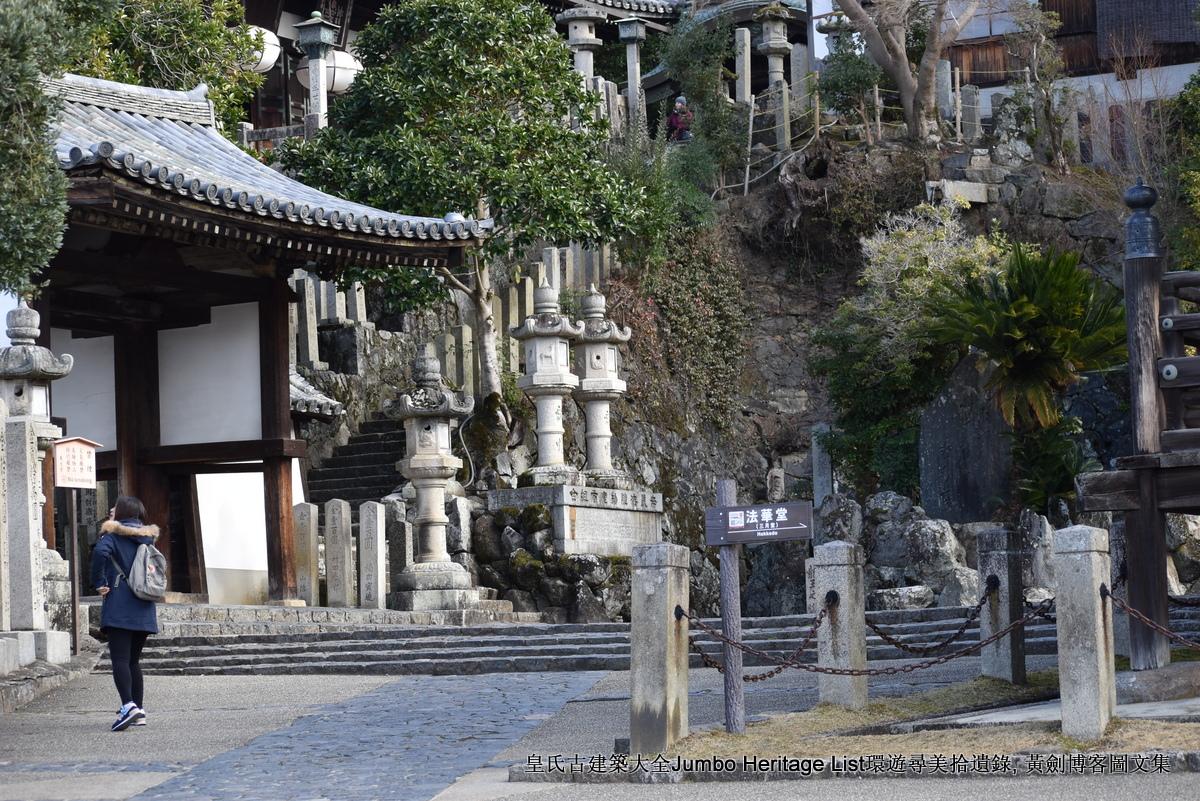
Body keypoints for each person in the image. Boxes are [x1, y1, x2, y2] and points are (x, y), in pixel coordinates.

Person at [90, 496, 160, 732]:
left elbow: (100, 553)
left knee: (119, 659)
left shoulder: (112, 536)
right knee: (133, 661)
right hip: (144, 605)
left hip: (120, 604)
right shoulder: (148, 538)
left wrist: (99, 582)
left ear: (120, 512)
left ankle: (128, 706)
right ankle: (138, 711)